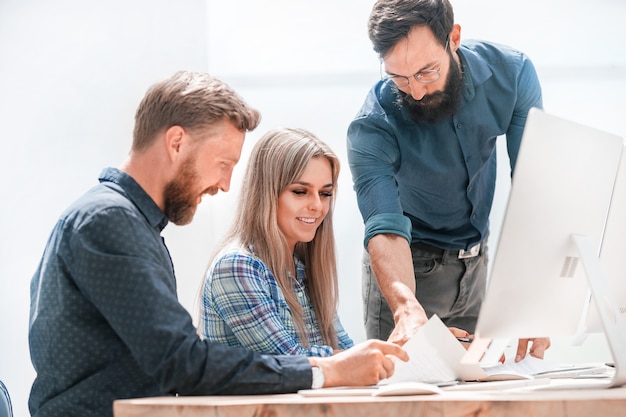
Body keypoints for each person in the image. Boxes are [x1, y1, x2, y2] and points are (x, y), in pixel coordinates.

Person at [28, 71, 408, 417]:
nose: (225, 184)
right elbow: (183, 363)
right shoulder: (109, 221)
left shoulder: (127, 223)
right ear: (177, 142)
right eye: (223, 163)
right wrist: (325, 370)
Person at [346, 0, 549, 360]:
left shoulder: (512, 74)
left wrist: (532, 292)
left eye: (426, 72)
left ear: (453, 38)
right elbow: (384, 227)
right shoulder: (373, 125)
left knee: (479, 396)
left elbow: (534, 187)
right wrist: (407, 309)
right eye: (399, 78)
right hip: (409, 272)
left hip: (477, 264)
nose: (416, 91)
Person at [199, 127, 354, 357]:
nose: (317, 206)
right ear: (266, 194)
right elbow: (291, 362)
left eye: (325, 193)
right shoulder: (236, 267)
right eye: (301, 192)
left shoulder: (304, 270)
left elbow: (347, 353)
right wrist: (364, 360)